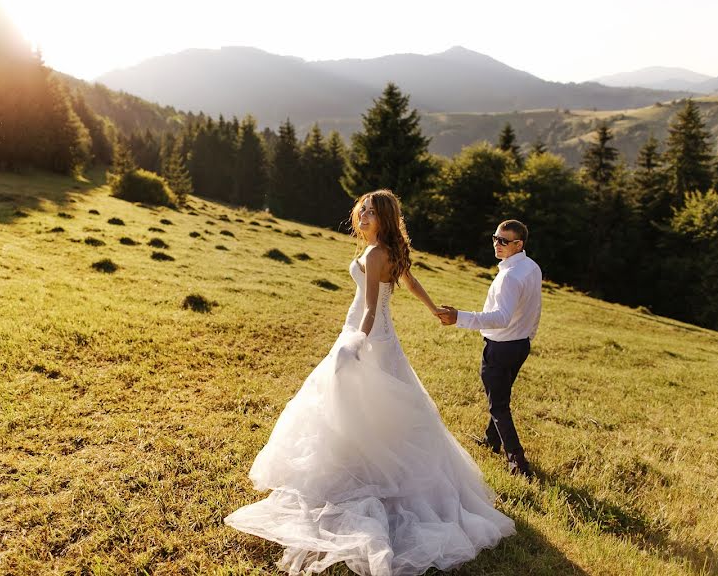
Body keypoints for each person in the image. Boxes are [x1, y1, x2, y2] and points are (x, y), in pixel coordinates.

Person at [225, 190, 515, 576]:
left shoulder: (378, 252)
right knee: (386, 405)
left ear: (385, 218)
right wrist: (433, 310)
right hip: (384, 337)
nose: (362, 217)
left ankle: (363, 468)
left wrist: (356, 343)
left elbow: (371, 308)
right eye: (361, 210)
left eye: (370, 213)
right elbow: (409, 281)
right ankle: (375, 461)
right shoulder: (391, 250)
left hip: (369, 335)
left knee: (357, 401)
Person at [438, 219, 542, 480]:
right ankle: (490, 440)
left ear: (519, 244)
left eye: (504, 241)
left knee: (499, 406)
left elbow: (501, 317)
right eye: (495, 238)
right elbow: (534, 309)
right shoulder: (531, 267)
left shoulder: (510, 276)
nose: (497, 244)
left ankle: (517, 462)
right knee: (502, 396)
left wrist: (459, 317)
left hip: (501, 347)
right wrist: (528, 337)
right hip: (520, 345)